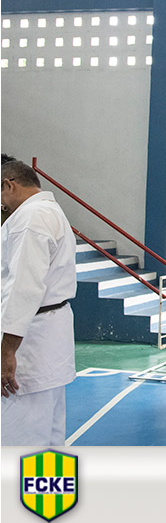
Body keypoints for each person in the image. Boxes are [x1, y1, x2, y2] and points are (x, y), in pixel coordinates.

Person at [1, 158, 76, 446]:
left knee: (20, 440)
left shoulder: (30, 219)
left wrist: (7, 352)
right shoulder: (50, 211)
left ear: (9, 185)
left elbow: (24, 287)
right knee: (50, 439)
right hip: (50, 339)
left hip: (31, 344)